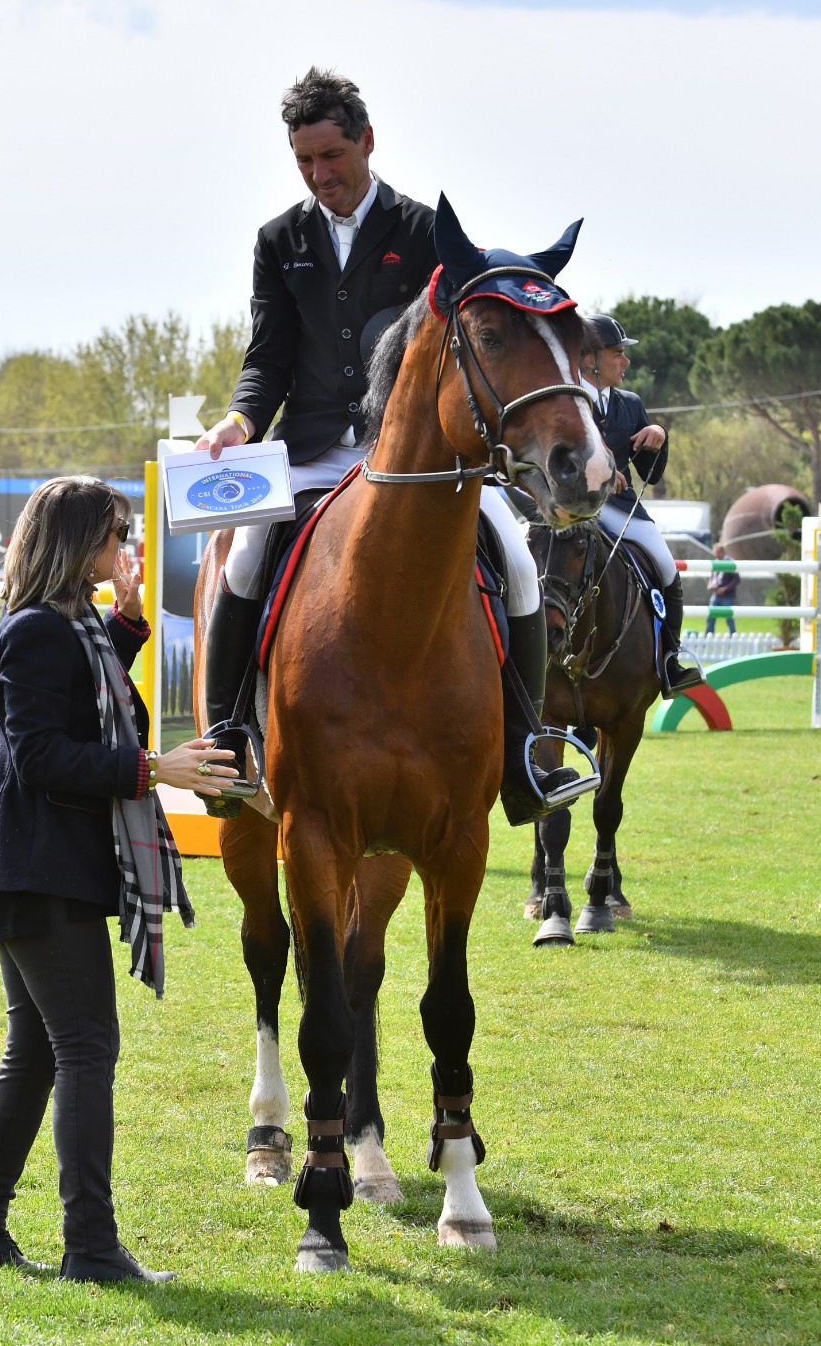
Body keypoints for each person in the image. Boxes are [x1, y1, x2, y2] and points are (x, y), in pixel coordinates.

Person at [195, 66, 582, 825]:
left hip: (408, 460)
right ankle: (228, 740)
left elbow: (459, 349)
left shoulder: (423, 234)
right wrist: (241, 421)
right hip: (307, 451)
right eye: (304, 161)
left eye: (331, 157)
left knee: (514, 558)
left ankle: (525, 756)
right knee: (242, 558)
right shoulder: (279, 240)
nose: (319, 175)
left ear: (367, 142)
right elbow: (268, 354)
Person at [0, 476, 237, 1284]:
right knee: (83, 1049)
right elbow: (41, 756)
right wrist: (153, 768)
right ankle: (92, 1249)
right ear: (79, 544)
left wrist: (131, 617)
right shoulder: (38, 630)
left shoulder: (71, 626)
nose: (127, 549)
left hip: (39, 862)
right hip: (34, 865)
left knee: (38, 1051)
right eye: (117, 536)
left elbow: (88, 692)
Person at [579, 315, 703, 696]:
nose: (626, 361)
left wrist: (658, 437)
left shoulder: (630, 404)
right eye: (618, 353)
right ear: (590, 360)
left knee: (666, 567)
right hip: (568, 506)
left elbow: (650, 475)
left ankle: (670, 659)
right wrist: (596, 470)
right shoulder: (564, 396)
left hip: (619, 508)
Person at [706, 543, 738, 634]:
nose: (717, 554)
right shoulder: (715, 562)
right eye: (716, 552)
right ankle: (708, 635)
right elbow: (713, 577)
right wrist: (710, 584)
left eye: (719, 552)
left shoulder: (730, 562)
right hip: (716, 594)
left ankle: (733, 636)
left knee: (729, 618)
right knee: (710, 616)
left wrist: (725, 589)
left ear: (723, 552)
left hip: (727, 596)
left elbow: (736, 579)